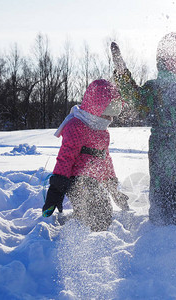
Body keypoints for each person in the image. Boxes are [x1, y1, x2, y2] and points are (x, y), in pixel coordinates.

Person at [111, 32, 176, 225]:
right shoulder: (154, 88)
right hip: (161, 152)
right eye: (168, 56)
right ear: (161, 60)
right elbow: (135, 101)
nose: (174, 61)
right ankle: (157, 241)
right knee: (162, 207)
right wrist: (122, 74)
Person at [42, 79, 129, 231]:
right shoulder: (77, 126)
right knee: (96, 211)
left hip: (93, 180)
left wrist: (114, 189)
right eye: (107, 114)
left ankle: (79, 225)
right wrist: (56, 189)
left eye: (112, 114)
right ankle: (79, 233)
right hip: (75, 180)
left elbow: (105, 160)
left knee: (102, 210)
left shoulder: (103, 132)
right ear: (96, 107)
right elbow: (65, 158)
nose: (110, 119)